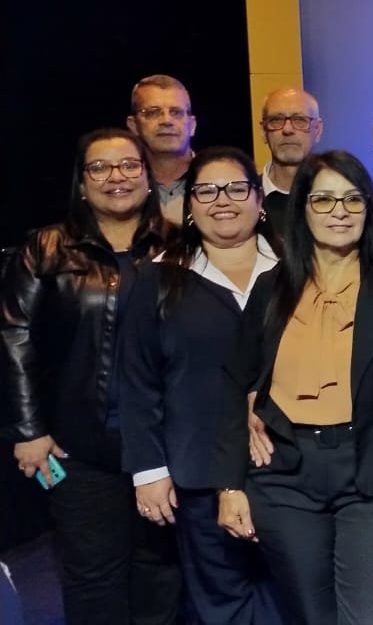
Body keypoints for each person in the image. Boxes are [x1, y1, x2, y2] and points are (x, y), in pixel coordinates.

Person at [213, 151, 373, 625]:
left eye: (352, 199)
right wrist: (231, 483)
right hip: (284, 476)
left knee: (368, 618)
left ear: (368, 210)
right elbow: (236, 382)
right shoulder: (271, 289)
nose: (339, 211)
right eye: (324, 200)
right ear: (303, 209)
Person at [1, 128, 182, 624]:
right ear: (81, 183)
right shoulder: (45, 247)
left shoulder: (179, 244)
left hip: (164, 444)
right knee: (93, 577)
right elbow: (14, 338)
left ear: (148, 176)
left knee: (161, 573)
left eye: (129, 165)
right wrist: (29, 431)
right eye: (99, 167)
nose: (115, 177)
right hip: (78, 448)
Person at [121, 147, 284, 624]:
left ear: (259, 199)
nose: (222, 201)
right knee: (222, 602)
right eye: (207, 191)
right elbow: (138, 381)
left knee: (293, 596)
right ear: (189, 204)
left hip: (292, 468)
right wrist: (149, 471)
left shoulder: (297, 269)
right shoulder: (157, 278)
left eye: (236, 188)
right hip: (198, 472)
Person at [126, 74, 197, 224]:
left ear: (192, 125)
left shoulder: (221, 181)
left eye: (176, 112)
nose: (166, 121)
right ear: (133, 126)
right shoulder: (120, 186)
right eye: (153, 112)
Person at [260, 87, 324, 226]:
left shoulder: (340, 197)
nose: (287, 129)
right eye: (276, 120)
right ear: (264, 132)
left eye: (300, 120)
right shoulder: (245, 198)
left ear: (317, 130)